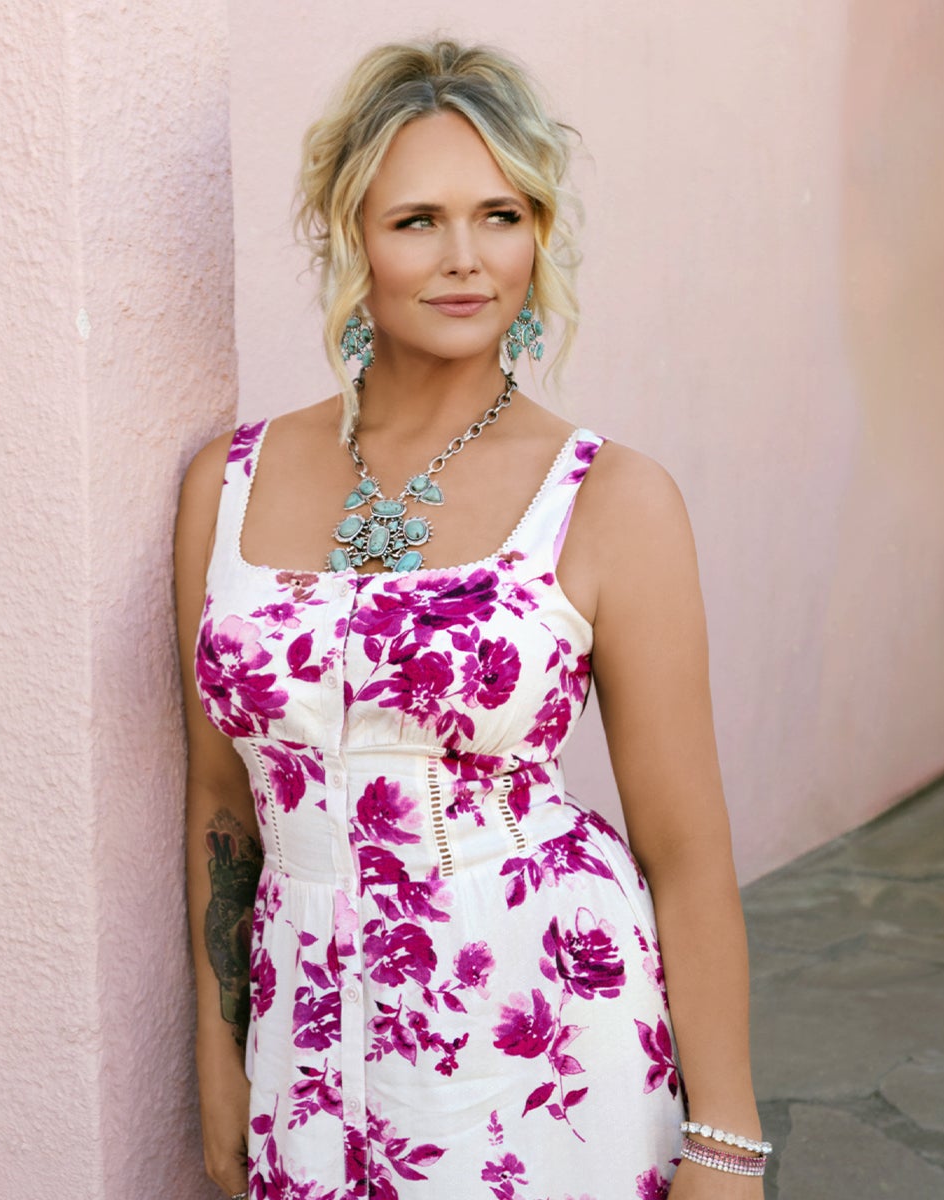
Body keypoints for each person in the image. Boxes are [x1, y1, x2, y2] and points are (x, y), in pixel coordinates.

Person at [172, 41, 769, 1199]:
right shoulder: (226, 482)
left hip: (542, 1041)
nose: (462, 260)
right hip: (301, 1050)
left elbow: (684, 852)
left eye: (498, 215)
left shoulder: (609, 497)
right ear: (348, 235)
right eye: (415, 221)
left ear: (536, 232)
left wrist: (725, 1141)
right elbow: (216, 805)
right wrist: (215, 1060)